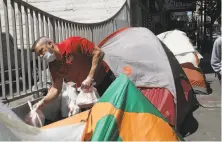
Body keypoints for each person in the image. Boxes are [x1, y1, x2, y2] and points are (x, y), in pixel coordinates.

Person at [31, 36, 115, 110]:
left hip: (105, 81)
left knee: (117, 112)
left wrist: (90, 77)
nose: (41, 56)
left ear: (50, 44)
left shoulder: (72, 43)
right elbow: (56, 88)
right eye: (39, 55)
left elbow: (99, 53)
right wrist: (43, 102)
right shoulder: (53, 66)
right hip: (88, 94)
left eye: (41, 51)